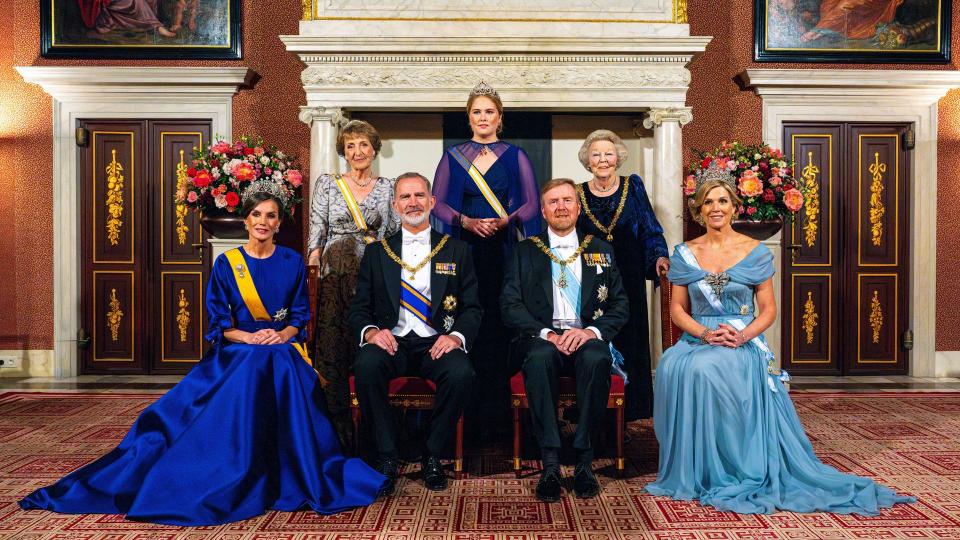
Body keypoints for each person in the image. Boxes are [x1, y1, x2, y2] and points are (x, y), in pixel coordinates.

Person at [19, 182, 385, 525]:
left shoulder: (291, 261)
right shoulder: (228, 264)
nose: (263, 222)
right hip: (239, 348)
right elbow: (221, 323)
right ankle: (230, 467)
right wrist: (249, 337)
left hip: (281, 346)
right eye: (257, 215)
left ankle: (291, 470)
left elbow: (300, 317)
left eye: (271, 216)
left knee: (285, 365)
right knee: (255, 366)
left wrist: (281, 334)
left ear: (279, 222)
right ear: (246, 220)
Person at [645, 164, 915, 515]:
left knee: (712, 368)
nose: (716, 207)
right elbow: (678, 310)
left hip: (744, 340)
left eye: (723, 200)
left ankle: (735, 463)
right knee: (674, 365)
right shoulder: (683, 252)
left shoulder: (755, 252)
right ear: (698, 209)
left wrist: (740, 335)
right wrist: (706, 333)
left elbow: (768, 311)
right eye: (708, 201)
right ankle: (698, 468)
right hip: (699, 337)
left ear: (735, 206)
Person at [348, 172, 481, 497]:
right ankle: (387, 455)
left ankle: (432, 453)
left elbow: (473, 308)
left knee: (462, 373)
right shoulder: (378, 253)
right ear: (395, 205)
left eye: (419, 195)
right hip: (391, 342)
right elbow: (358, 310)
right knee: (366, 366)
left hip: (436, 342)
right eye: (405, 197)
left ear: (432, 202)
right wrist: (371, 332)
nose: (413, 203)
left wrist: (455, 338)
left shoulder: (456, 250)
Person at [501, 178, 629, 502]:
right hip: (543, 337)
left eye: (567, 200)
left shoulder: (600, 248)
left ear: (578, 206)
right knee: (541, 357)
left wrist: (589, 333)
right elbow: (510, 304)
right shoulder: (525, 251)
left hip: (586, 335)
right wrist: (548, 334)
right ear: (543, 211)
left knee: (598, 358)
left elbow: (620, 305)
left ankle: (584, 461)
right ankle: (551, 463)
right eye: (553, 202)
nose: (561, 207)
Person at [431, 81, 541, 437]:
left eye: (489, 112)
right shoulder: (453, 156)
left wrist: (506, 221)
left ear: (499, 117)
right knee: (466, 314)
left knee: (500, 318)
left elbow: (532, 204)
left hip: (504, 245)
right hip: (464, 247)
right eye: (476, 112)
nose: (483, 117)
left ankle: (501, 412)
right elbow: (438, 202)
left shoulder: (516, 155)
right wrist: (465, 221)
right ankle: (467, 409)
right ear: (469, 117)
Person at [308, 120, 399, 447]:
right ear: (343, 152)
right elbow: (316, 231)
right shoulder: (328, 184)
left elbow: (392, 234)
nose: (357, 152)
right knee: (335, 347)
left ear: (374, 148)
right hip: (335, 275)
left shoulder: (389, 187)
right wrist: (314, 265)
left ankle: (375, 433)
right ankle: (336, 433)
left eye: (363, 145)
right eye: (350, 146)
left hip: (373, 272)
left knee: (371, 343)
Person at [575, 129, 668, 421]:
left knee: (631, 338)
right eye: (596, 155)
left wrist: (659, 257)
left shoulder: (633, 186)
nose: (603, 159)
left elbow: (650, 228)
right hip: (590, 279)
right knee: (595, 341)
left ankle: (631, 408)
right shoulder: (577, 192)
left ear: (618, 158)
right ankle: (593, 411)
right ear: (588, 161)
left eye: (608, 153)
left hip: (628, 276)